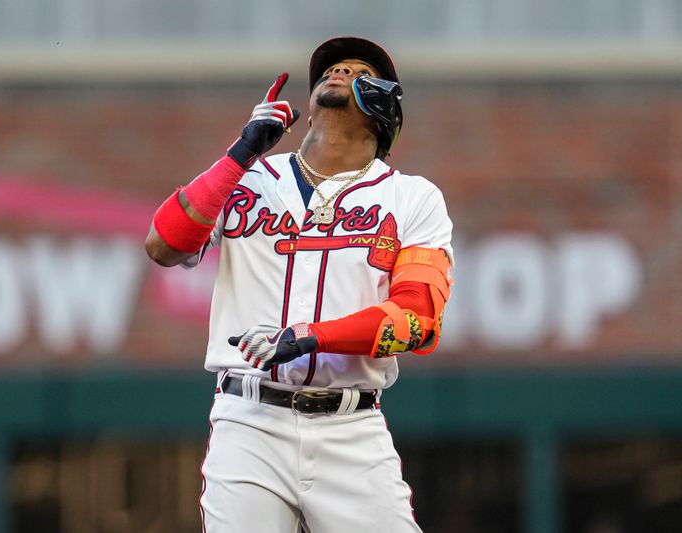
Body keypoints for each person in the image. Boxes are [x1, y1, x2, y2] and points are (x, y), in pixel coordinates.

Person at [146, 36, 453, 533]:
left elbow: (417, 319)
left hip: (350, 429)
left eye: (357, 72)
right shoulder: (247, 178)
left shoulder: (411, 197)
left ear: (384, 107)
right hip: (249, 421)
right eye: (332, 69)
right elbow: (163, 244)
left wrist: (313, 336)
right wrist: (240, 151)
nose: (338, 73)